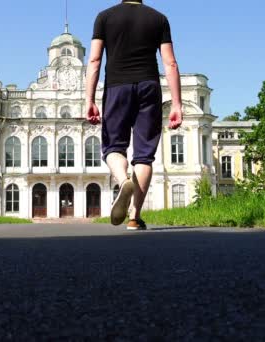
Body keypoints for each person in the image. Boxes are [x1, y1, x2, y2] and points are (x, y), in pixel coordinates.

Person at [85, 0, 183, 230]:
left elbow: (95, 60)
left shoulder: (104, 17)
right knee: (144, 155)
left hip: (117, 87)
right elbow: (170, 63)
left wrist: (89, 100)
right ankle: (134, 217)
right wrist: (176, 103)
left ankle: (123, 181)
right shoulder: (159, 18)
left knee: (113, 148)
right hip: (149, 86)